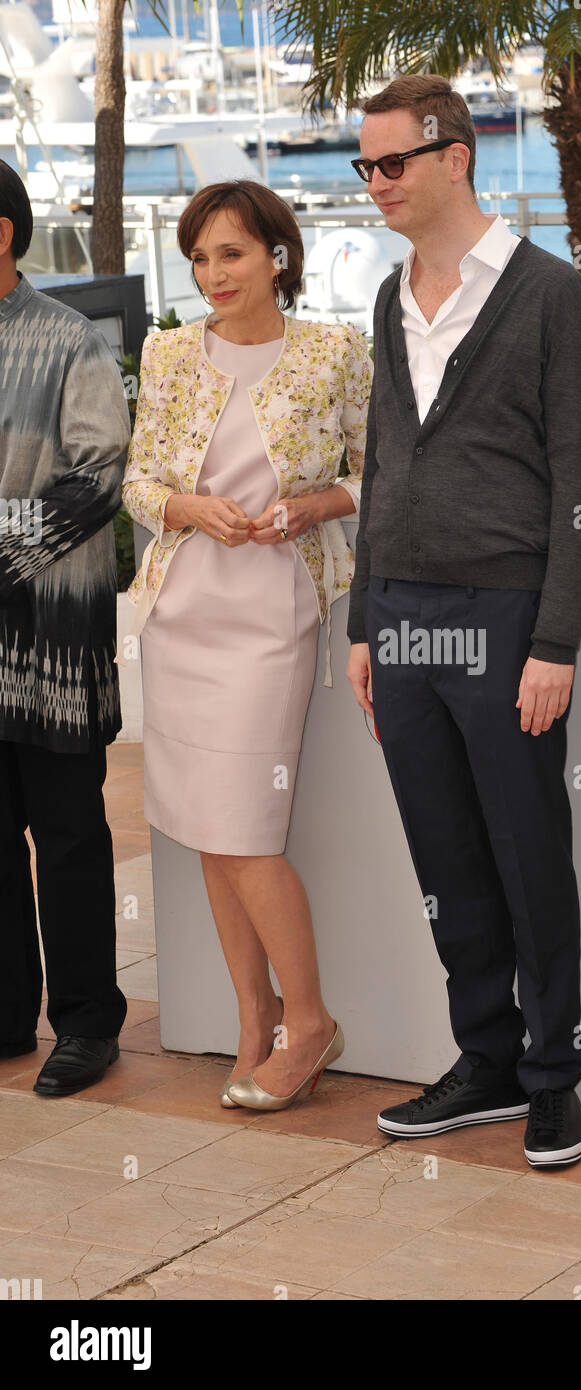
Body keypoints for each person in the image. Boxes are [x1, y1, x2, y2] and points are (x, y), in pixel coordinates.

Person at [345, 75, 581, 1168]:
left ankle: (555, 1078)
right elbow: (381, 465)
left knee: (527, 848)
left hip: (504, 615)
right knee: (446, 852)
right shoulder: (387, 297)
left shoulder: (547, 294)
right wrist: (365, 618)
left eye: (390, 163)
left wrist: (554, 643)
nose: (374, 184)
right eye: (363, 166)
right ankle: (486, 1060)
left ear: (454, 155)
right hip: (400, 616)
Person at [122, 180, 372, 1111]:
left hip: (273, 617)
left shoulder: (334, 352)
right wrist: (186, 508)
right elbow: (141, 484)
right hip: (182, 613)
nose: (211, 274)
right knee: (209, 837)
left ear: (278, 254)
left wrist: (311, 507)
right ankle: (251, 1018)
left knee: (245, 830)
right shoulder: (169, 353)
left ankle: (308, 1022)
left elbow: (377, 468)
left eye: (230, 253)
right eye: (198, 257)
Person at [0, 160, 131, 1095]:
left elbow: (99, 474)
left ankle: (87, 1024)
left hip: (52, 641)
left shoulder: (72, 340)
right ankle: (8, 1016)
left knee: (74, 835)